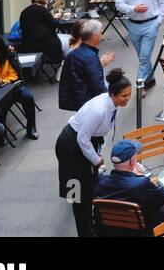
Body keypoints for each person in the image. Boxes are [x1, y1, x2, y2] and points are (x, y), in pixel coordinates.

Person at [56, 68, 132, 237]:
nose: (127, 99)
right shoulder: (99, 110)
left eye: (129, 95)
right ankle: (84, 231)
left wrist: (97, 154)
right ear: (113, 94)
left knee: (89, 184)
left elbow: (100, 134)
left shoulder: (113, 105)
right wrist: (96, 159)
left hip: (86, 141)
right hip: (70, 145)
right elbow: (82, 138)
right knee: (77, 194)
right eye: (124, 96)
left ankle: (92, 224)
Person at [93, 138, 164, 230]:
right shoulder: (141, 183)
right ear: (132, 160)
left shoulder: (100, 181)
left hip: (110, 232)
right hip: (141, 231)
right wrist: (141, 176)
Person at [115, 0, 164, 88]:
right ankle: (150, 77)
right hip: (133, 25)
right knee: (142, 56)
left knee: (144, 56)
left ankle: (140, 84)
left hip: (151, 24)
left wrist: (158, 22)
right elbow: (118, 4)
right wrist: (133, 9)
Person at [0, 37, 39, 139]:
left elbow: (15, 75)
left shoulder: (10, 56)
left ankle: (31, 126)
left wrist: (3, 81)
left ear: (1, 51)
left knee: (28, 97)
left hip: (13, 86)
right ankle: (1, 133)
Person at [58, 19, 112, 111]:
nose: (102, 36)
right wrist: (110, 102)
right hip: (89, 103)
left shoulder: (75, 53)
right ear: (95, 36)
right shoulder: (90, 57)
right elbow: (98, 87)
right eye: (100, 33)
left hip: (80, 100)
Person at [20, 0, 65, 68]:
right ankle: (60, 66)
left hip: (28, 45)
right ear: (45, 0)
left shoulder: (24, 11)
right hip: (46, 46)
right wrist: (58, 17)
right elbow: (54, 24)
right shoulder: (43, 10)